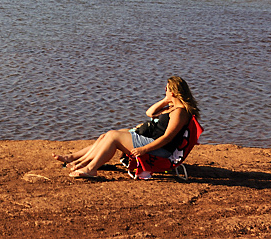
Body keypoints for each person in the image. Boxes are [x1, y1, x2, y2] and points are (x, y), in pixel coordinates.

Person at [53, 76, 200, 179]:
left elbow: (167, 138)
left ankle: (91, 169)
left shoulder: (180, 113)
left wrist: (144, 149)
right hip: (152, 140)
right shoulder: (172, 107)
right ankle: (77, 160)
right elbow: (150, 113)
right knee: (106, 136)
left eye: (166, 89)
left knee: (113, 136)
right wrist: (166, 100)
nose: (164, 90)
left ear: (173, 92)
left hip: (160, 150)